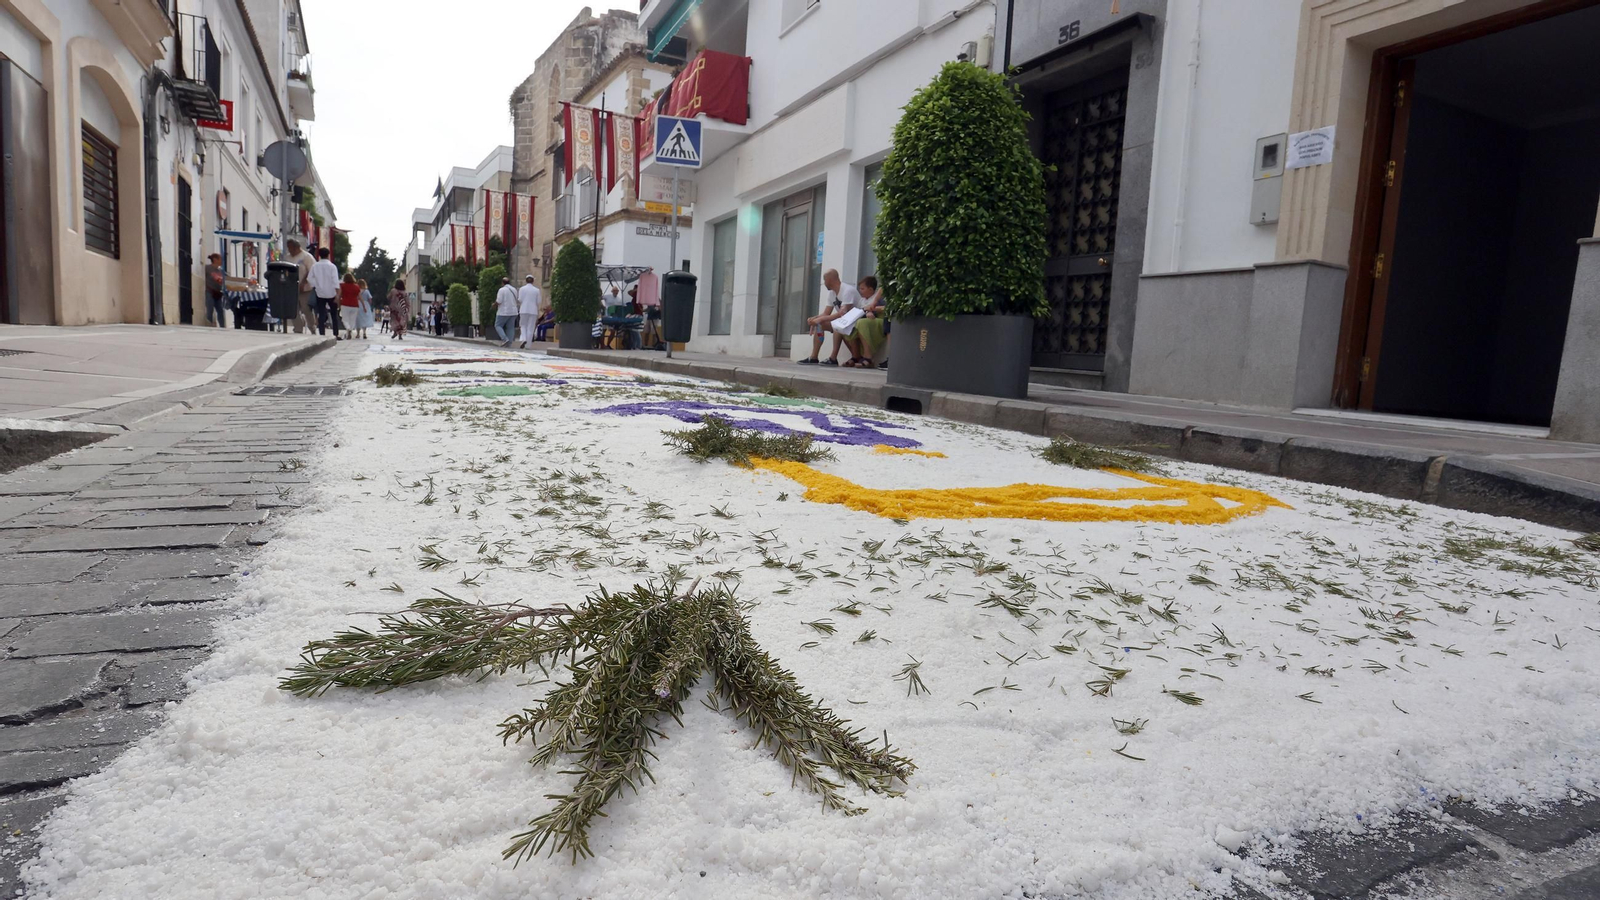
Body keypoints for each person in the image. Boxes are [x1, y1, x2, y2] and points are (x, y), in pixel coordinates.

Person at [802, 269, 867, 366]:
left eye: (825, 280)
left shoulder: (847, 290)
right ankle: (814, 357)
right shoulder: (832, 293)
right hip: (845, 323)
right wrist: (815, 318)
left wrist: (821, 319)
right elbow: (826, 313)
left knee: (837, 326)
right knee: (821, 324)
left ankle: (833, 358)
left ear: (829, 280)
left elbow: (842, 314)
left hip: (856, 321)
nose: (824, 283)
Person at [308, 247, 342, 340]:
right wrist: (337, 294)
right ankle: (335, 333)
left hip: (320, 293)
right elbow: (335, 281)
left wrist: (317, 285)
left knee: (321, 314)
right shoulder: (332, 266)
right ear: (328, 255)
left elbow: (309, 278)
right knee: (334, 315)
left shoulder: (315, 266)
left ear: (319, 255)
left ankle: (322, 333)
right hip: (331, 293)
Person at [286, 238, 317, 334]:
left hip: (305, 289)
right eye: (289, 248)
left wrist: (303, 282)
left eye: (291, 248)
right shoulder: (288, 258)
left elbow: (312, 271)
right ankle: (298, 328)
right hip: (292, 287)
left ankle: (312, 327)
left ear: (297, 248)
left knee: (306, 309)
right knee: (293, 310)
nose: (290, 251)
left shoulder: (307, 257)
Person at [517, 275, 542, 349]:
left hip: (524, 309)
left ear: (526, 280)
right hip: (533, 310)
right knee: (530, 327)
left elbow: (520, 299)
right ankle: (528, 345)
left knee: (523, 325)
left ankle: (523, 338)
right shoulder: (537, 290)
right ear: (533, 281)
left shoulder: (522, 289)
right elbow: (539, 301)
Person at [494, 277, 520, 347]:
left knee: (498, 325)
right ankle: (510, 343)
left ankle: (504, 339)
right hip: (513, 311)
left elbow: (499, 301)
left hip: (504, 311)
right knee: (510, 327)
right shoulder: (514, 290)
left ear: (502, 283)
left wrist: (494, 304)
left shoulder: (502, 290)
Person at [203, 253, 227, 328]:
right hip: (210, 291)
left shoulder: (221, 271)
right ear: (215, 260)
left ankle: (222, 326)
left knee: (220, 311)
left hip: (218, 293)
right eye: (220, 259)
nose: (222, 261)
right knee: (210, 309)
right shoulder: (207, 268)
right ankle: (209, 325)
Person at [338, 272, 361, 340]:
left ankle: (348, 329)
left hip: (345, 304)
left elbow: (339, 295)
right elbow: (359, 296)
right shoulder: (356, 286)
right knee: (352, 319)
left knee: (344, 319)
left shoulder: (342, 285)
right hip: (355, 305)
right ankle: (350, 330)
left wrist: (338, 302)